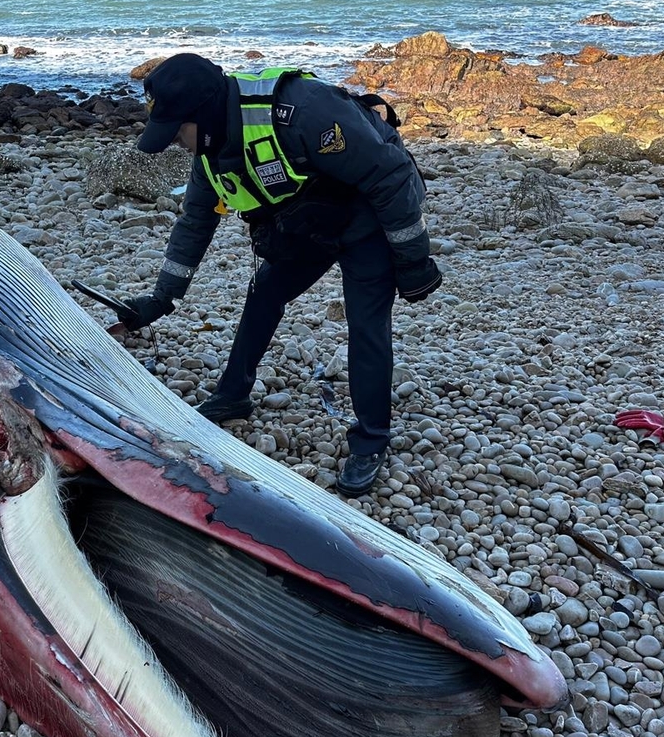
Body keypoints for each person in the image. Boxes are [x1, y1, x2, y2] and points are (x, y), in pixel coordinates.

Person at [122, 52, 442, 496]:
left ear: (204, 114)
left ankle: (371, 441)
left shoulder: (302, 112)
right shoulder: (211, 151)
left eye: (178, 131)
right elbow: (195, 225)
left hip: (371, 215)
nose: (177, 141)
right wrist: (161, 299)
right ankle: (232, 394)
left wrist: (413, 260)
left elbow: (389, 175)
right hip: (312, 220)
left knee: (366, 322)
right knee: (265, 290)